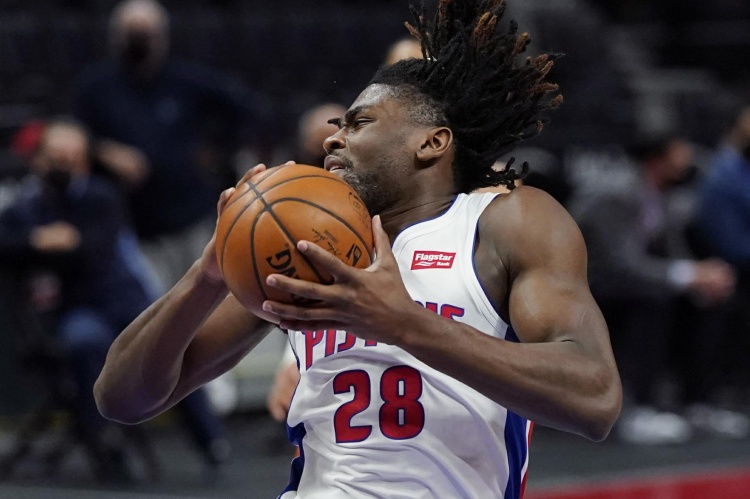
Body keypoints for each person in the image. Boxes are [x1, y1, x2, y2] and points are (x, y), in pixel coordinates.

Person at [95, 1, 622, 497]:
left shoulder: (505, 222)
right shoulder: (307, 248)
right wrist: (207, 276)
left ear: (431, 142)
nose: (332, 140)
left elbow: (595, 399)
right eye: (336, 127)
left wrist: (404, 324)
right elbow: (122, 398)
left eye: (358, 123)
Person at [0, 119, 155, 480]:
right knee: (85, 341)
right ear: (39, 160)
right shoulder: (28, 205)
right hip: (74, 312)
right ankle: (102, 439)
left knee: (166, 335)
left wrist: (71, 244)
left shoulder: (99, 196)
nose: (62, 166)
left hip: (118, 301)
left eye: (71, 159)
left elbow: (93, 251)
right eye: (55, 157)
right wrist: (38, 241)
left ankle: (210, 442)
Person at [570, 134, 746, 444]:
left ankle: (697, 402)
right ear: (658, 159)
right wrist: (686, 275)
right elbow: (620, 266)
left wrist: (702, 277)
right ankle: (630, 409)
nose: (688, 161)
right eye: (680, 153)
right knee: (652, 300)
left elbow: (670, 251)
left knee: (705, 301)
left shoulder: (659, 192)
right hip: (588, 285)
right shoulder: (619, 193)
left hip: (631, 280)